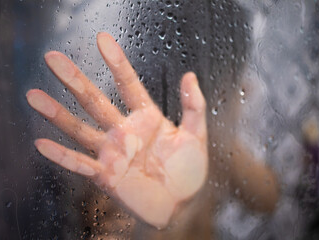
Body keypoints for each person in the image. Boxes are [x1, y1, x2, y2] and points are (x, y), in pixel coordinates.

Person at [26, 32, 279, 232]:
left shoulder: (192, 144)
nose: (248, 89)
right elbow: (100, 223)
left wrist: (215, 140)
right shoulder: (124, 142)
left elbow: (268, 199)